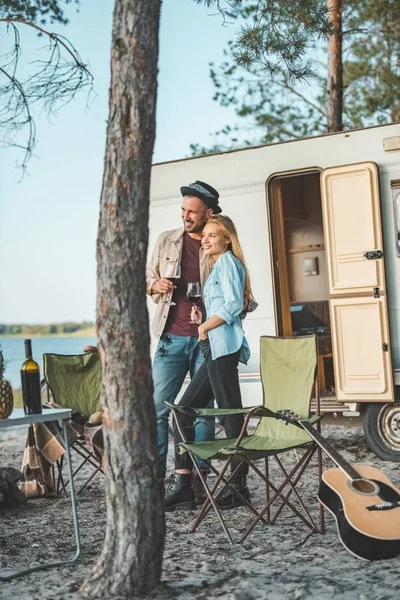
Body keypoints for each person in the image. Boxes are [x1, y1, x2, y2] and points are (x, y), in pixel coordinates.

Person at [164, 214, 255, 512]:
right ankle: (184, 488)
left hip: (221, 349)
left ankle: (239, 487)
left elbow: (233, 304)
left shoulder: (227, 261)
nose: (206, 239)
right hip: (214, 347)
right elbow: (223, 306)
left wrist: (204, 328)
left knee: (230, 415)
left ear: (227, 238)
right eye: (205, 234)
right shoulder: (218, 265)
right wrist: (203, 320)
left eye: (213, 235)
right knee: (183, 413)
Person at [146, 180, 223, 500]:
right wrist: (156, 286)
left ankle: (198, 477)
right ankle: (157, 476)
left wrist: (208, 313)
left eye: (192, 211)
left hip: (207, 338)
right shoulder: (167, 240)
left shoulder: (218, 244)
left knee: (202, 410)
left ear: (208, 212)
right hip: (171, 337)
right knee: (158, 409)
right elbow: (148, 279)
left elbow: (232, 293)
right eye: (183, 210)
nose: (185, 216)